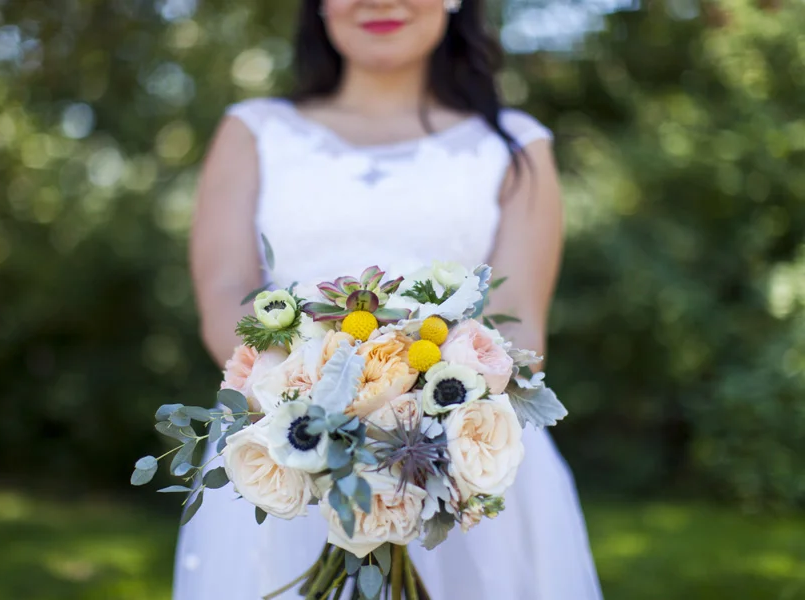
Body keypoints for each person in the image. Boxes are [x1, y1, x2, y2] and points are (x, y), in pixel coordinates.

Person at [176, 0, 603, 597]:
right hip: (283, 447)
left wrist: (421, 429)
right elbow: (225, 294)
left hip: (461, 464)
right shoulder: (253, 131)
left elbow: (521, 326)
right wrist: (302, 410)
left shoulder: (516, 147)